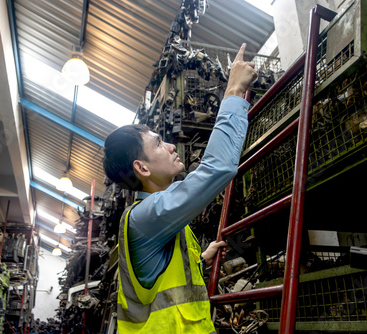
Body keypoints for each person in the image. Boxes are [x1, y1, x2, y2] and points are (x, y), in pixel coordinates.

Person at [103, 43, 257, 333]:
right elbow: (217, 168)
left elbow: (163, 283)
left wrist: (199, 260)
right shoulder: (145, 216)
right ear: (142, 168)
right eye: (159, 143)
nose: (172, 146)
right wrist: (233, 91)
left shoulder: (160, 219)